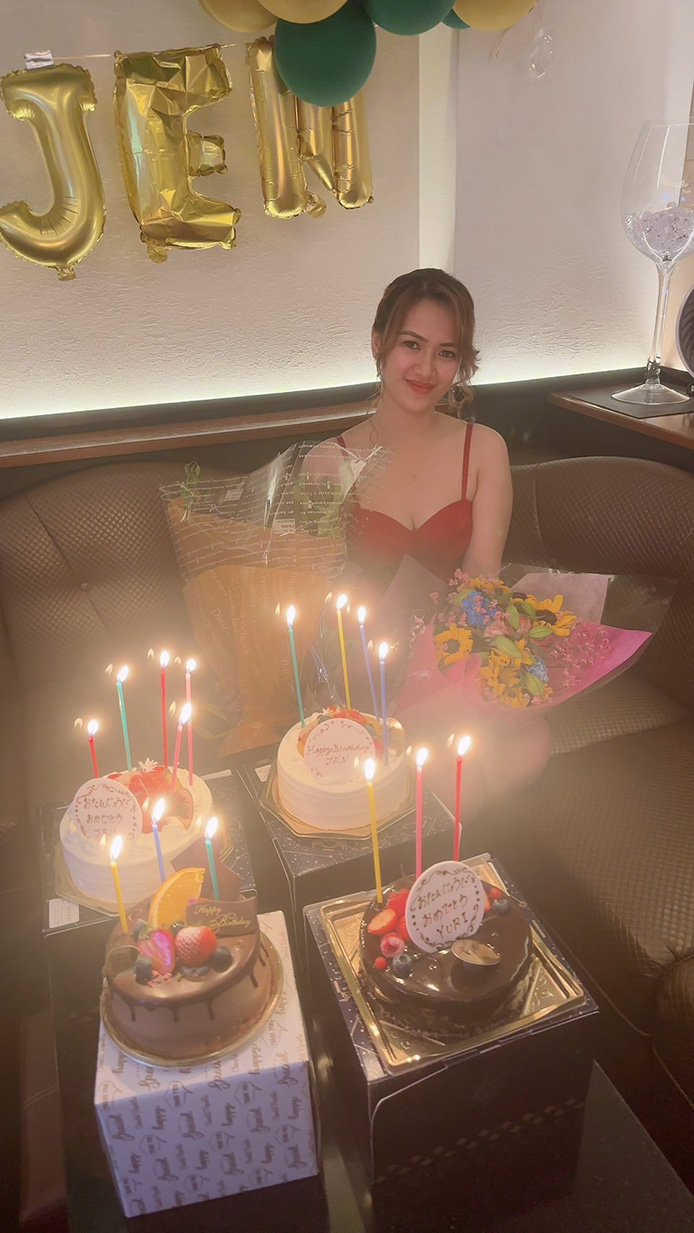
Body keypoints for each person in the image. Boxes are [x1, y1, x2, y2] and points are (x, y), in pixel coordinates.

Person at [331, 268, 551, 819]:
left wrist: (470, 670)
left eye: (446, 352)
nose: (427, 369)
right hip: (366, 666)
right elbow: (316, 590)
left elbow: (482, 580)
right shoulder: (327, 462)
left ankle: (454, 859)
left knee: (527, 747)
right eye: (412, 344)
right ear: (378, 343)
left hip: (453, 653)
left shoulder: (484, 448)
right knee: (453, 782)